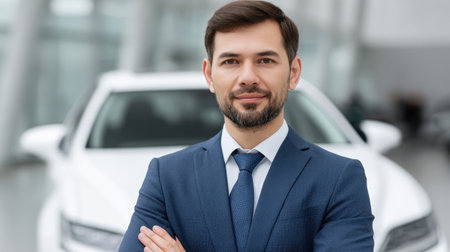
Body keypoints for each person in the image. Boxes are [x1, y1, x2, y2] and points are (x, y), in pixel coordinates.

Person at [119, 1, 374, 251]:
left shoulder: (338, 179)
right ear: (209, 75)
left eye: (265, 60)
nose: (248, 77)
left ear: (293, 72)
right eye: (231, 61)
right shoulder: (167, 177)